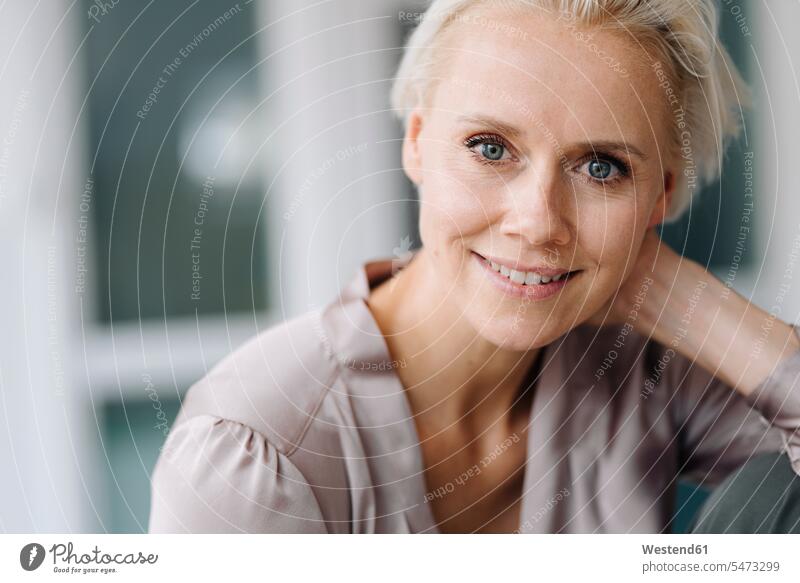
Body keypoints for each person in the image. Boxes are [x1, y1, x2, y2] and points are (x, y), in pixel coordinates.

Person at [148, 0, 800, 533]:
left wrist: (684, 298)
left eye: (602, 167)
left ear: (660, 194)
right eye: (490, 148)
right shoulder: (257, 454)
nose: (539, 221)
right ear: (416, 142)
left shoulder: (640, 370)